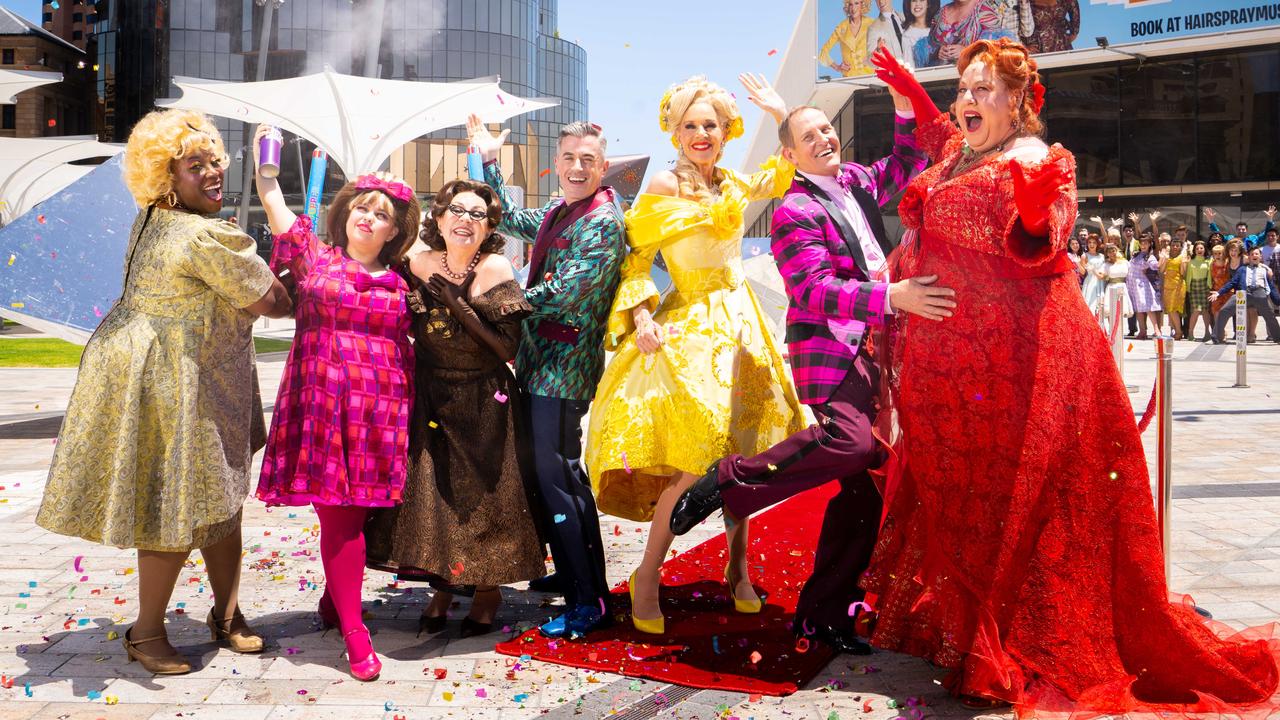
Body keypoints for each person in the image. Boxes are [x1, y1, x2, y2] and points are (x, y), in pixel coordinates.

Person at [867, 40, 1280, 712]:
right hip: (960, 367)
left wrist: (1036, 213)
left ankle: (1008, 646)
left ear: (1020, 101)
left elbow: (1049, 230)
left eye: (985, 89)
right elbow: (940, 137)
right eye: (964, 88)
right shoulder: (960, 152)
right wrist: (913, 94)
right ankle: (974, 635)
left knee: (1021, 505)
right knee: (976, 498)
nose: (968, 100)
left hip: (1025, 365)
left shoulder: (1034, 158)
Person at [668, 89, 938, 655]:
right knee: (853, 443)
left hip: (876, 352)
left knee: (863, 495)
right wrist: (893, 296)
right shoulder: (794, 209)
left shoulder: (858, 183)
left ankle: (822, 617)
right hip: (832, 351)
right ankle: (730, 478)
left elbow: (908, 163)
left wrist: (905, 103)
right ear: (789, 155)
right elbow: (814, 290)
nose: (824, 139)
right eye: (808, 136)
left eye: (827, 130)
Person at [35, 109, 292, 674]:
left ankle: (226, 614)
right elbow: (273, 304)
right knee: (174, 509)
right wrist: (297, 266)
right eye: (194, 166)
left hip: (191, 378)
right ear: (166, 178)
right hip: (180, 386)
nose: (212, 173)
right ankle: (146, 632)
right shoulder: (203, 234)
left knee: (221, 502)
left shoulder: (152, 218)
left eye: (214, 161)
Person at [585, 74, 809, 636]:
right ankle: (646, 573)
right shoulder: (662, 184)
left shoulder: (732, 181)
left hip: (742, 328)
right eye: (690, 125)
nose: (701, 133)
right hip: (687, 328)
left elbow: (779, 174)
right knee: (693, 456)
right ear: (676, 131)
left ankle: (738, 569)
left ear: (726, 129)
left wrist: (781, 113)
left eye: (709, 123)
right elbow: (636, 260)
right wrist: (639, 317)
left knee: (742, 456)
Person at [253, 124, 420, 681]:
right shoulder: (314, 259)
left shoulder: (404, 280)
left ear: (395, 231)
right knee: (341, 521)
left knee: (361, 516)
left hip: (382, 409)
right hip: (323, 405)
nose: (366, 217)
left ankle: (334, 599)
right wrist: (268, 153)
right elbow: (271, 194)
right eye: (361, 207)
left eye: (381, 213)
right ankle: (355, 631)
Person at [365, 179, 545, 638]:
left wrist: (460, 307)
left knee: (485, 499)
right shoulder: (415, 263)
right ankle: (442, 586)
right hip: (430, 395)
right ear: (439, 219)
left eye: (477, 215)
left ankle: (487, 592)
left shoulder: (497, 266)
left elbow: (507, 346)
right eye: (457, 211)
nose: (466, 220)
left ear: (488, 229)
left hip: (485, 399)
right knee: (434, 498)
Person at [470, 115, 626, 639]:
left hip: (564, 369)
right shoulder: (562, 210)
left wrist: (498, 303)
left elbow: (566, 289)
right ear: (556, 165)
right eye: (570, 158)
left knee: (560, 481)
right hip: (541, 364)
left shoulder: (601, 220)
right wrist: (490, 162)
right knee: (554, 478)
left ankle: (590, 601)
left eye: (588, 159)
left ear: (603, 167)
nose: (578, 167)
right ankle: (574, 570)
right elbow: (510, 217)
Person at [1209, 247, 1280, 343]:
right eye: (1252, 254)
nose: (1254, 256)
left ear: (1260, 256)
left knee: (1269, 314)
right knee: (1224, 311)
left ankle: (1278, 337)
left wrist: (1278, 300)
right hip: (1243, 292)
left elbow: (1271, 287)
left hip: (1259, 292)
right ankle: (1216, 337)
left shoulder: (1265, 270)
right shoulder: (1242, 269)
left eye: (1256, 254)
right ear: (1249, 257)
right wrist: (1219, 292)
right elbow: (1232, 282)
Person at [916, 0, 1013, 68]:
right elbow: (927, 49)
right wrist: (938, 52)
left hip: (973, 79)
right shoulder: (941, 13)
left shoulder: (983, 9)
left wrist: (967, 51)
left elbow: (998, 49)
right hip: (942, 81)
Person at [821, 0, 876, 77]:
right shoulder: (841, 27)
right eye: (851, 4)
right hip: (849, 78)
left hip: (870, 76)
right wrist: (837, 67)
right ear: (847, 6)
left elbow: (882, 48)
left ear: (862, 4)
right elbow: (823, 53)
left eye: (856, 3)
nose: (853, 8)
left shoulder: (872, 23)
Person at [1126, 231, 1162, 339]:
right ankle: (1142, 331)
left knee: (1148, 308)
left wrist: (1163, 258)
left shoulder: (1149, 257)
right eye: (1141, 243)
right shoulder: (1136, 254)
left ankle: (1157, 330)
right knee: (1138, 309)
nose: (1143, 245)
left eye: (1146, 243)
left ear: (1150, 244)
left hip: (1142, 285)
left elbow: (1156, 266)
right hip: (1132, 285)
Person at [1210, 238, 1246, 343]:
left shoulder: (1230, 261)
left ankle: (1240, 334)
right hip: (1219, 290)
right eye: (1215, 253)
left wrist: (1266, 268)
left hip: (1231, 290)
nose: (1218, 255)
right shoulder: (1213, 263)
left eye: (1220, 253)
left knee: (1233, 313)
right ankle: (1220, 334)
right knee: (1218, 312)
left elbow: (1254, 261)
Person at [1096, 241, 1131, 332]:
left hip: (1123, 287)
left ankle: (1119, 331)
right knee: (1111, 311)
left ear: (1117, 251)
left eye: (1113, 250)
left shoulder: (1125, 262)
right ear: (1107, 254)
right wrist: (1093, 270)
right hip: (1111, 287)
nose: (1112, 253)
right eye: (1110, 251)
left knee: (1120, 310)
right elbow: (1101, 276)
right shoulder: (1106, 265)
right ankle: (1112, 330)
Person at [1205, 205, 1276, 250]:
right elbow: (1218, 235)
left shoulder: (1253, 238)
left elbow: (1267, 233)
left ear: (1247, 230)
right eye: (1239, 229)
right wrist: (1211, 221)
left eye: (1243, 229)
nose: (1241, 231)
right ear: (1236, 230)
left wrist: (1269, 219)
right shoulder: (1230, 238)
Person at [1159, 233, 1187, 339]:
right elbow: (1161, 270)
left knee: (1173, 309)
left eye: (1177, 245)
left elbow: (1183, 273)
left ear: (1180, 247)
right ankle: (1176, 330)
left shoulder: (1182, 257)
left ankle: (1179, 331)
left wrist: (1184, 263)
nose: (1175, 247)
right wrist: (1164, 259)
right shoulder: (1167, 256)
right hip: (1167, 286)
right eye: (1173, 245)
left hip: (1177, 286)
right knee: (1169, 310)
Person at [1186, 240, 1213, 341]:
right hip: (1194, 288)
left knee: (1205, 311)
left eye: (1201, 248)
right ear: (1194, 250)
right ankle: (1190, 332)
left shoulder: (1208, 261)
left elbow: (1210, 274)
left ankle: (1207, 332)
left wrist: (1210, 287)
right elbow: (1188, 276)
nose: (1199, 250)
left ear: (1205, 249)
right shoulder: (1191, 262)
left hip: (1205, 287)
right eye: (1197, 248)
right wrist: (1188, 288)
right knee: (1196, 311)